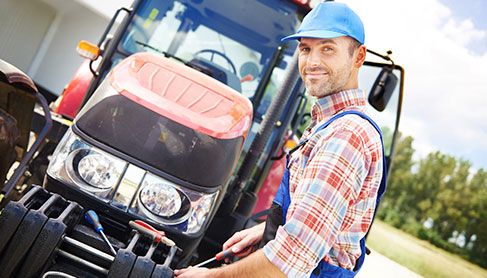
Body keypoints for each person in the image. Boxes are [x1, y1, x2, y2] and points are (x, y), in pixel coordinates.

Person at [175, 1, 386, 277]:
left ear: (358, 57)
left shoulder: (346, 136)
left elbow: (291, 259)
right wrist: (268, 230)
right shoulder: (325, 126)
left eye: (328, 49)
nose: (312, 62)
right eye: (305, 49)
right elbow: (320, 223)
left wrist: (208, 277)